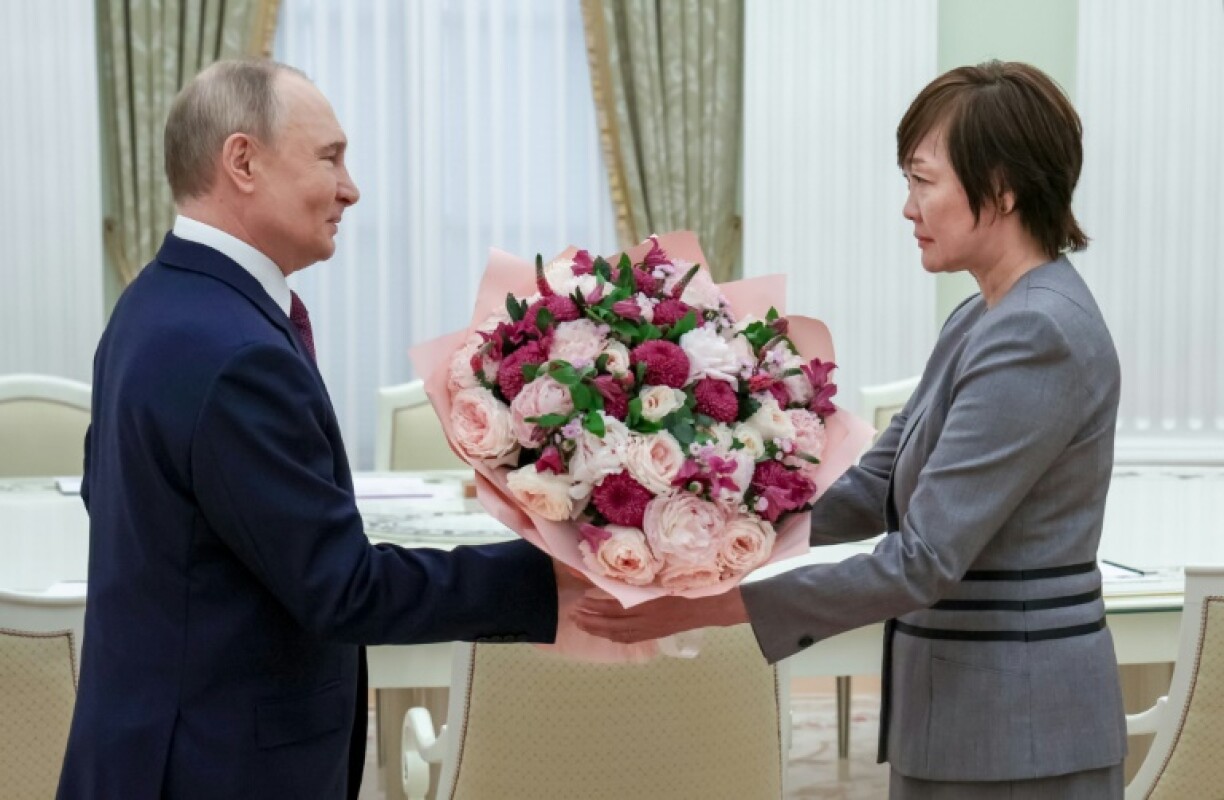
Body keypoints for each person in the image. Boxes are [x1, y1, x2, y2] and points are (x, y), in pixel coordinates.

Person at [576, 60, 1126, 798]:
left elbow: (922, 560)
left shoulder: (1037, 332)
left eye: (923, 181)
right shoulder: (982, 316)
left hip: (1019, 736)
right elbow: (872, 488)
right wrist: (689, 521)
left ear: (1001, 188)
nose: (908, 207)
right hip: (965, 721)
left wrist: (707, 606)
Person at [58, 59, 561, 800]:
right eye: (330, 157)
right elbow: (344, 589)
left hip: (149, 742)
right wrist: (554, 575)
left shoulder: (153, 302)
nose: (351, 189)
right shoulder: (236, 349)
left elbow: (114, 499)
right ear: (242, 161)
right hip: (218, 766)